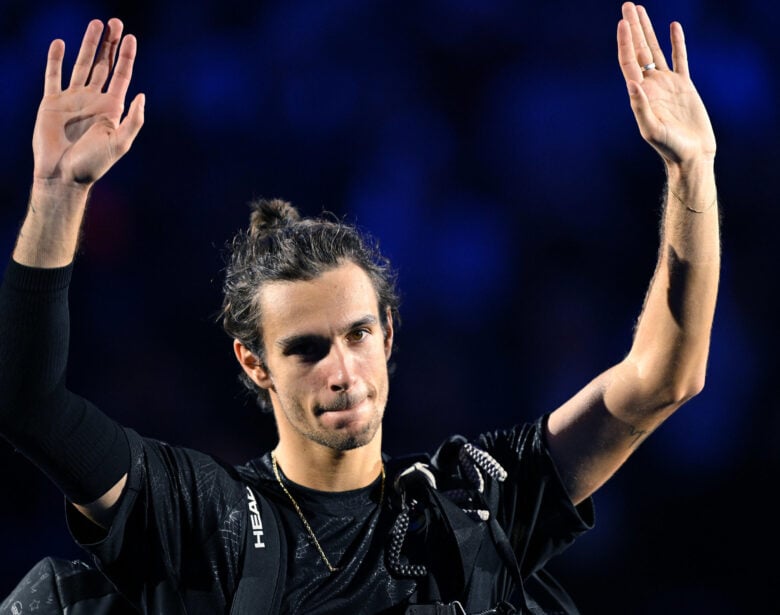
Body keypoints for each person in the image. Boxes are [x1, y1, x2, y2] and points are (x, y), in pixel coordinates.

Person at [0, 2, 719, 614]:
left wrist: (692, 169)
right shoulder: (203, 517)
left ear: (388, 334)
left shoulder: (474, 500)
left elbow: (664, 377)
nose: (342, 370)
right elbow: (29, 403)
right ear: (254, 363)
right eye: (306, 348)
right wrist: (57, 193)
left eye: (357, 334)